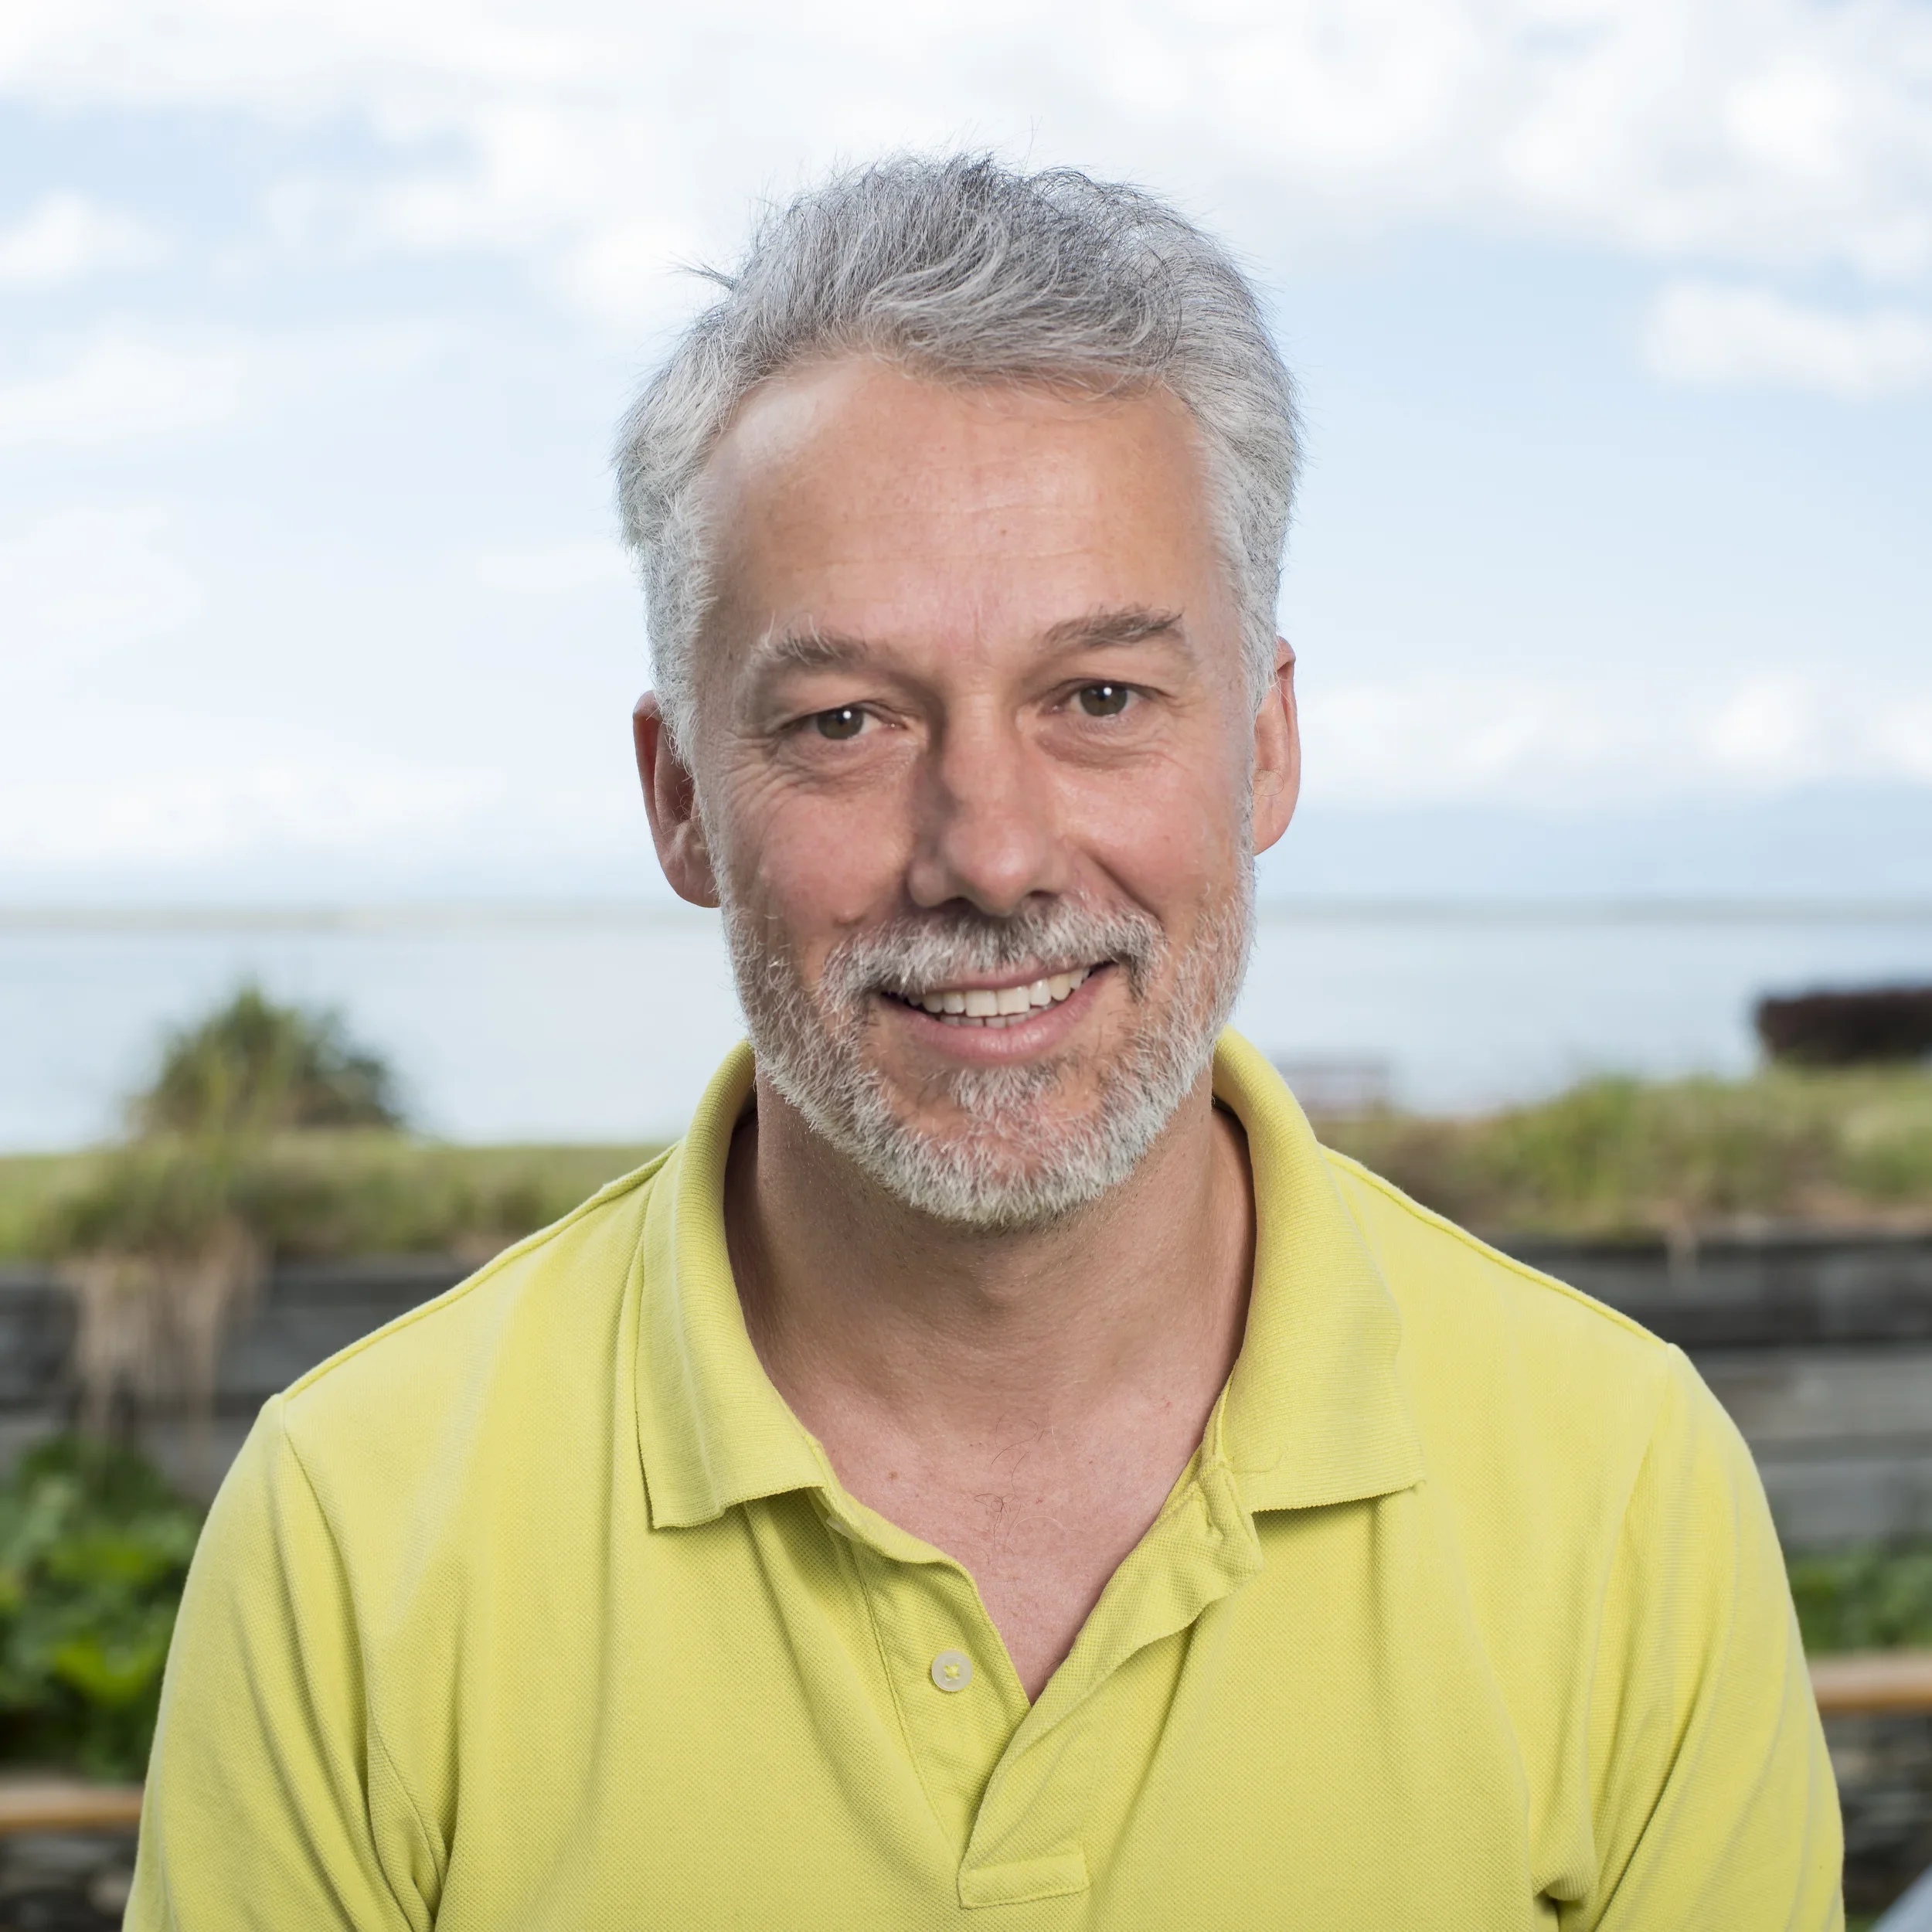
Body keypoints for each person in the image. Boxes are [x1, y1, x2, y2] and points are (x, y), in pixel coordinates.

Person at [129, 156, 1841, 1929]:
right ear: (680, 797)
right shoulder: (354, 1523)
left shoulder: (1621, 1480)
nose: (992, 852)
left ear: (1262, 747)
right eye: (844, 720)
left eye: (1099, 696)